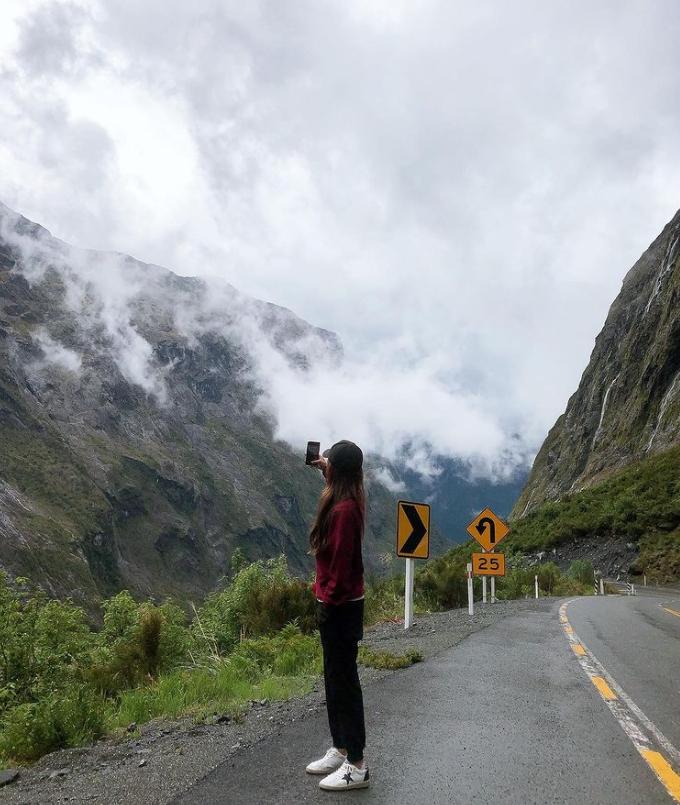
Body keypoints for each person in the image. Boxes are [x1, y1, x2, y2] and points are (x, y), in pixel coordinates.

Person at [305, 440, 369, 791]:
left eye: (329, 461)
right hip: (335, 603)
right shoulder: (345, 497)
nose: (324, 463)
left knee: (345, 684)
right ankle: (341, 747)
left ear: (339, 473)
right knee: (334, 679)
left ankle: (357, 764)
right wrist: (323, 468)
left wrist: (327, 602)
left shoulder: (344, 511)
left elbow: (342, 569)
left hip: (339, 607)